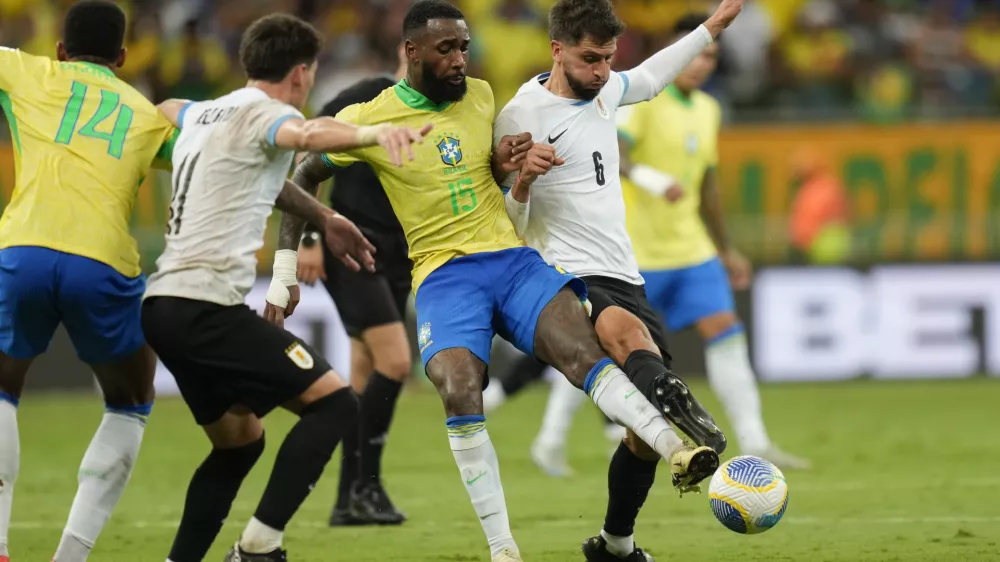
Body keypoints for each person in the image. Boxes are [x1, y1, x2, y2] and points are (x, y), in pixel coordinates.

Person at [277, 3, 725, 561]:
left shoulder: (484, 97)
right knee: (459, 387)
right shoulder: (376, 116)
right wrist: (288, 265)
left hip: (512, 262)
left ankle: (669, 449)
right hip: (443, 273)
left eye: (464, 47)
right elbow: (304, 173)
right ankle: (503, 548)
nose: (460, 60)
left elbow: (485, 176)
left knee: (585, 354)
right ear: (412, 52)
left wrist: (507, 169)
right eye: (446, 50)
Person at [139, 14, 429, 562]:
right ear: (301, 74)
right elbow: (308, 134)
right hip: (209, 307)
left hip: (162, 306)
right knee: (337, 403)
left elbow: (164, 112)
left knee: (239, 444)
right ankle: (258, 548)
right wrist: (373, 133)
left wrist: (325, 216)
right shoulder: (271, 114)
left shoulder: (202, 112)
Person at [494, 2, 743, 560]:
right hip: (561, 273)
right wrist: (524, 182)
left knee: (641, 436)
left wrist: (711, 27)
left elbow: (652, 76)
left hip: (624, 271)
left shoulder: (606, 91)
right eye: (589, 59)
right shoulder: (520, 114)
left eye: (608, 59)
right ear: (557, 49)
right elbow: (508, 225)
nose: (602, 71)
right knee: (626, 337)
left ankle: (615, 543)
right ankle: (689, 416)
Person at [0, 2, 177, 560]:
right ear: (123, 58)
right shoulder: (147, 114)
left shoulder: (26, 70)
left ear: (59, 48)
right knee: (131, 398)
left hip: (21, 250)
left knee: (3, 388)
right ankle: (70, 556)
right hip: (100, 261)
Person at [618, 14, 810, 472]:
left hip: (692, 250)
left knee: (725, 330)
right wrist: (652, 178)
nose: (701, 64)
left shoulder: (708, 109)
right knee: (613, 347)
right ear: (671, 50)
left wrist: (725, 248)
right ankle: (550, 439)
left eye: (710, 56)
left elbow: (708, 185)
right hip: (639, 252)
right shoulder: (642, 98)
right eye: (695, 53)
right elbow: (618, 154)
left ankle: (756, 441)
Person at [293, 43, 412, 527]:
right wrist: (307, 235)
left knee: (366, 371)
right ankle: (367, 486)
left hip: (400, 250)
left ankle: (351, 498)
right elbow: (308, 147)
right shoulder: (369, 95)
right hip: (351, 243)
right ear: (409, 53)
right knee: (397, 361)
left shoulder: (449, 110)